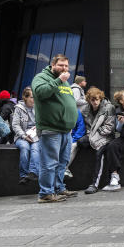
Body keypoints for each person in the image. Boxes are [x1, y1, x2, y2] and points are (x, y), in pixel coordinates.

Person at [31, 54, 79, 203]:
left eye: (66, 66)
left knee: (62, 162)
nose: (64, 68)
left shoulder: (64, 82)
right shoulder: (41, 78)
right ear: (53, 65)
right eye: (61, 65)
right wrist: (59, 80)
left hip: (65, 130)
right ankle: (45, 193)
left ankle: (59, 188)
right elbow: (40, 93)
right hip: (50, 129)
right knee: (49, 163)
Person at [80, 87, 117, 194]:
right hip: (92, 136)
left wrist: (96, 131)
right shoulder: (86, 109)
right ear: (89, 100)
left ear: (100, 98)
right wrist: (91, 134)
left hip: (105, 137)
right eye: (92, 100)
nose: (95, 102)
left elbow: (109, 128)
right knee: (79, 142)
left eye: (97, 99)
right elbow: (86, 127)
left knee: (99, 152)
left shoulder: (109, 107)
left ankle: (94, 184)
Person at [12, 87, 40, 185]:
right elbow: (15, 125)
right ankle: (23, 175)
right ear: (25, 97)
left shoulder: (38, 107)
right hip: (22, 136)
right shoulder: (19, 108)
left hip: (36, 136)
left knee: (35, 149)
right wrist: (24, 136)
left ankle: (33, 173)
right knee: (25, 147)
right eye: (32, 97)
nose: (34, 100)